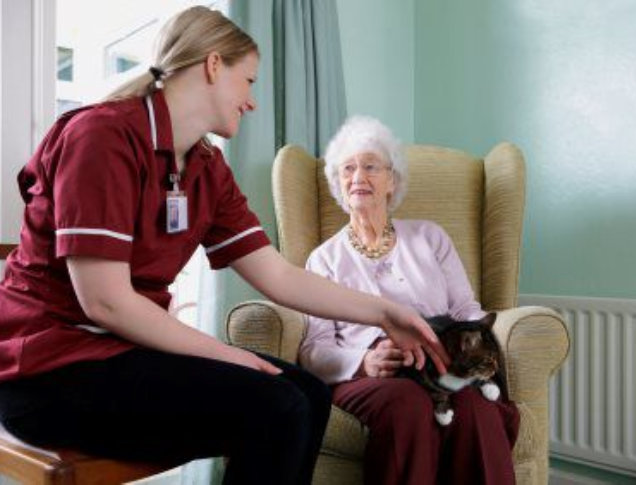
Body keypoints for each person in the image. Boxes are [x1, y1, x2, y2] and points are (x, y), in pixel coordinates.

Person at [0, 8, 447, 485]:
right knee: (277, 406)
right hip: (47, 372)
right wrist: (226, 355)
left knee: (308, 392)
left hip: (117, 354)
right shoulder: (101, 137)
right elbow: (105, 301)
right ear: (213, 66)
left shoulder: (206, 167)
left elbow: (278, 275)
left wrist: (385, 313)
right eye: (248, 81)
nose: (251, 102)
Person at [298, 115, 521, 485]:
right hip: (373, 376)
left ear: (392, 180)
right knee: (408, 405)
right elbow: (315, 348)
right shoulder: (323, 259)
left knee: (475, 404)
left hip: (441, 361)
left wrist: (480, 342)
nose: (358, 177)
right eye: (348, 169)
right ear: (338, 183)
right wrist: (365, 361)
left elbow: (466, 310)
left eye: (370, 166)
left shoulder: (429, 238)